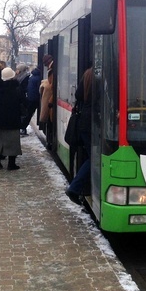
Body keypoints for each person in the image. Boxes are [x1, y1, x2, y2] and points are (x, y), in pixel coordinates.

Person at [65, 66, 93, 205]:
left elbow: (78, 95)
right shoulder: (101, 75)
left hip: (84, 121)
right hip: (93, 122)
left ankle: (76, 187)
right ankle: (74, 188)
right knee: (94, 158)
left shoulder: (87, 74)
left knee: (91, 155)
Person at [0, 67, 24, 170]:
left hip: (0, 120)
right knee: (13, 142)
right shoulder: (16, 89)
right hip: (13, 120)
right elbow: (22, 102)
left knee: (0, 141)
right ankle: (11, 164)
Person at [15, 64, 31, 136]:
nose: (16, 71)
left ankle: (22, 128)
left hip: (23, 98)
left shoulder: (25, 77)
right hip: (21, 98)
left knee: (23, 114)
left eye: (17, 69)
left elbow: (24, 88)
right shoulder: (20, 77)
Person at [25, 63, 42, 130]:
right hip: (35, 98)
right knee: (29, 114)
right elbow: (39, 88)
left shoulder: (32, 76)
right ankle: (23, 126)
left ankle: (23, 127)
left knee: (29, 113)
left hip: (31, 97)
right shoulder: (38, 78)